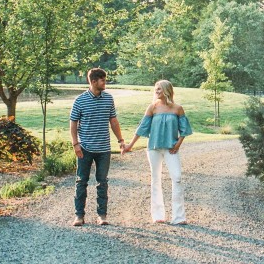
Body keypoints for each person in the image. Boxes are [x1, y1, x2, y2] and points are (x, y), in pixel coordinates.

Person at [123, 79, 194, 225]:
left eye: (159, 89)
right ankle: (158, 215)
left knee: (177, 177)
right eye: (155, 88)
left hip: (171, 149)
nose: (156, 91)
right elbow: (142, 128)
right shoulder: (152, 108)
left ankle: (179, 217)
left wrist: (178, 144)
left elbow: (184, 130)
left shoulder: (177, 108)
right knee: (155, 179)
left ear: (167, 90)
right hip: (153, 148)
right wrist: (130, 145)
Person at [70, 67, 128, 227]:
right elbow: (73, 123)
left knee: (102, 182)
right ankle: (79, 216)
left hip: (104, 149)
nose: (105, 83)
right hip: (85, 148)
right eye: (103, 80)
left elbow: (113, 121)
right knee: (81, 181)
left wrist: (120, 140)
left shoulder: (108, 99)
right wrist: (76, 144)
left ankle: (102, 215)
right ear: (94, 81)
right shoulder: (80, 100)